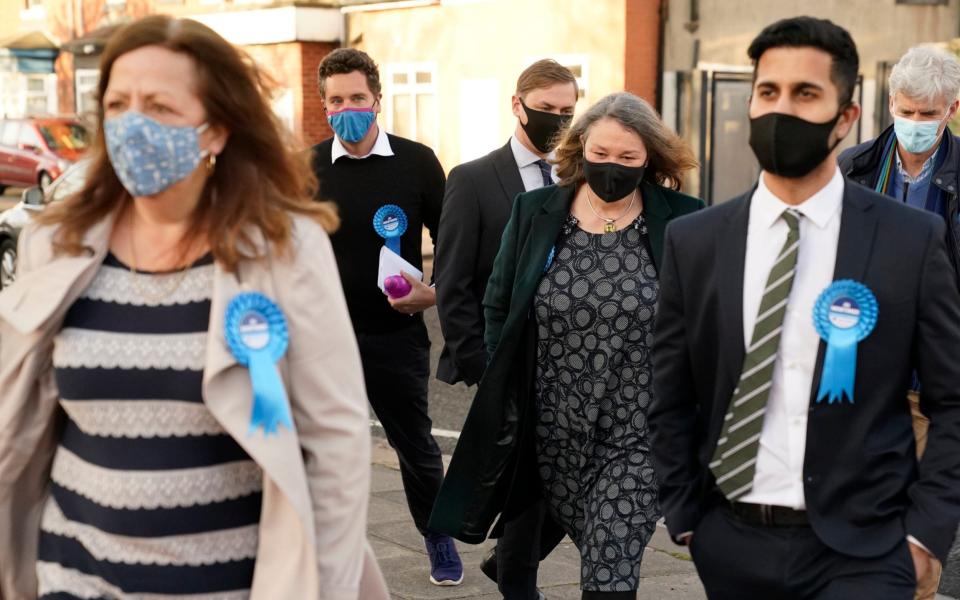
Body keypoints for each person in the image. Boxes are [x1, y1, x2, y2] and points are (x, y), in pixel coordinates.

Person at [0, 15, 387, 600]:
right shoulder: (54, 243)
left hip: (226, 582)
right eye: (118, 104)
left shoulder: (283, 247)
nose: (133, 125)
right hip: (71, 577)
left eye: (159, 107)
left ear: (216, 130)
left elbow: (335, 440)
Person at [649, 16, 960, 600]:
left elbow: (953, 400)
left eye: (806, 93)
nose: (781, 109)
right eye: (769, 91)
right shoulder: (695, 241)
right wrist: (689, 517)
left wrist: (925, 534)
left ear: (846, 116)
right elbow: (670, 391)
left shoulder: (911, 240)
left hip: (867, 551)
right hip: (730, 544)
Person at [430, 91, 702, 600]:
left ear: (650, 158)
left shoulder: (683, 220)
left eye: (628, 157)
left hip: (637, 435)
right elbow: (498, 303)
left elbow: (709, 319)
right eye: (600, 155)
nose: (612, 167)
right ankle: (511, 555)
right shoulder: (536, 212)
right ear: (579, 150)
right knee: (566, 538)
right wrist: (501, 378)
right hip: (548, 431)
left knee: (609, 569)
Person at [309, 48, 463, 586]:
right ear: (323, 104)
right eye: (336, 100)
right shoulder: (306, 169)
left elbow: (454, 244)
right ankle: (329, 551)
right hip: (323, 341)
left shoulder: (418, 162)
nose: (346, 108)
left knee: (416, 446)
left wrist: (435, 293)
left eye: (356, 98)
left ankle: (437, 536)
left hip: (395, 337)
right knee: (325, 449)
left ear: (377, 100)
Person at [434, 58, 577, 600]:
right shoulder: (472, 179)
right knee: (526, 485)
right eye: (546, 110)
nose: (558, 122)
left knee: (580, 472)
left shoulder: (582, 174)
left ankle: (514, 563)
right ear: (517, 105)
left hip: (575, 358)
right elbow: (452, 284)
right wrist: (483, 370)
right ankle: (518, 580)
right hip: (508, 361)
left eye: (567, 112)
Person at [838, 45, 960, 600]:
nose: (914, 124)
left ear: (952, 110)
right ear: (890, 103)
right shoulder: (852, 170)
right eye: (906, 111)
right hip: (857, 377)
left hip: (931, 384)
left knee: (918, 545)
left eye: (927, 114)